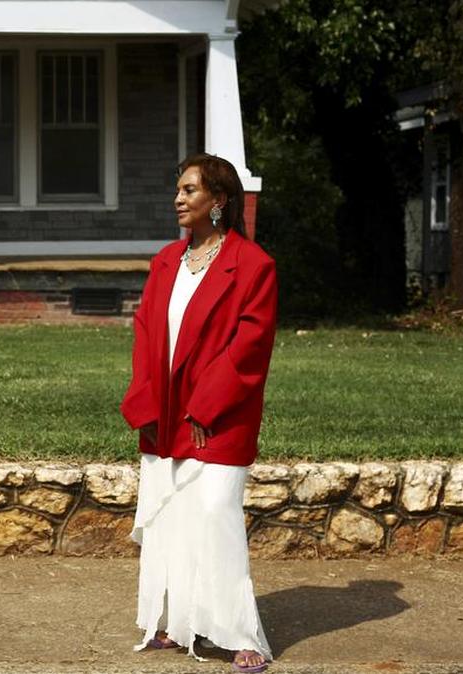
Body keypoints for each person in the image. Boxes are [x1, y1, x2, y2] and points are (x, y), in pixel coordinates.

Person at [120, 153, 277, 673]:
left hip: (221, 415)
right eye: (178, 189)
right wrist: (143, 401)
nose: (178, 198)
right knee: (171, 514)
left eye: (190, 190)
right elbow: (146, 334)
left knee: (215, 512)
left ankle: (236, 631)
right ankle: (175, 621)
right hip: (163, 412)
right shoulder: (165, 260)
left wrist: (205, 406)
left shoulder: (253, 266)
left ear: (220, 200)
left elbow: (249, 346)